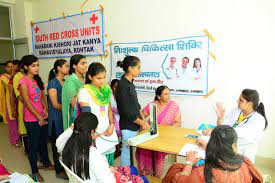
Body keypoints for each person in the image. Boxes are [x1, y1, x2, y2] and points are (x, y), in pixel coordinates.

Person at [56, 112, 148, 183]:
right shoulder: (94, 156)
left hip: (87, 176)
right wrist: (110, 171)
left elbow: (58, 141)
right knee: (144, 179)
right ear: (93, 131)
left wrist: (74, 127)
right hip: (101, 178)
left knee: (133, 170)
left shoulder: (66, 145)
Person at [163, 125, 263, 183]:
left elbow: (180, 181)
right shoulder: (245, 163)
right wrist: (208, 147)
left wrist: (189, 163)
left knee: (176, 167)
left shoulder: (204, 173)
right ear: (234, 145)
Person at [202, 89, 268, 163]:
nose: (237, 101)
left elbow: (237, 132)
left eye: (241, 100)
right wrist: (220, 118)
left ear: (249, 104)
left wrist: (215, 131)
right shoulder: (236, 111)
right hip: (228, 150)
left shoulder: (258, 120)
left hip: (242, 154)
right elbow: (222, 126)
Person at [19, 55, 54, 182]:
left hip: (41, 116)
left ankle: (46, 163)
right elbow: (27, 102)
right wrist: (39, 117)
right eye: (33, 66)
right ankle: (34, 172)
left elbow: (42, 97)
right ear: (26, 67)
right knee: (33, 146)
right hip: (31, 119)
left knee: (43, 142)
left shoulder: (37, 79)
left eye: (37, 65)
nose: (37, 68)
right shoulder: (23, 82)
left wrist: (45, 110)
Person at [136, 85, 182, 178]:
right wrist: (144, 124)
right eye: (166, 94)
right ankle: (145, 174)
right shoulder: (152, 105)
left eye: (169, 93)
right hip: (152, 134)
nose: (168, 96)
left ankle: (157, 176)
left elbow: (178, 122)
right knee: (142, 149)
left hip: (165, 137)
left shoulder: (174, 106)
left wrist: (168, 132)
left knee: (159, 155)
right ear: (159, 96)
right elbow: (141, 116)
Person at [78, 62, 118, 165]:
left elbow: (109, 109)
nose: (102, 81)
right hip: (94, 132)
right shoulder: (84, 91)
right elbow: (86, 115)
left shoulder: (106, 89)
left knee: (109, 162)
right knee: (97, 163)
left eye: (103, 77)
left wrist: (112, 124)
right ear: (90, 76)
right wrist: (91, 132)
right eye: (98, 78)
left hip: (108, 130)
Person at [116, 56, 150, 166]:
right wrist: (142, 123)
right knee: (127, 153)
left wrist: (142, 117)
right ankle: (126, 176)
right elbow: (126, 111)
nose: (140, 70)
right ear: (130, 68)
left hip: (134, 124)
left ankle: (129, 174)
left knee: (131, 153)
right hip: (128, 126)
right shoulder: (123, 85)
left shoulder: (129, 83)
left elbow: (135, 104)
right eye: (138, 67)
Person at [47, 59, 69, 179]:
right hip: (56, 118)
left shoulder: (66, 81)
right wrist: (70, 108)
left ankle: (66, 168)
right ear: (59, 68)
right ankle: (58, 170)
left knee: (65, 144)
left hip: (65, 117)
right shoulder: (53, 83)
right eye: (66, 66)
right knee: (57, 145)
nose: (68, 68)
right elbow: (55, 104)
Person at [62, 54, 87, 130]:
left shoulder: (85, 79)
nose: (86, 66)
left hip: (86, 117)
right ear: (74, 66)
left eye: (86, 63)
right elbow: (75, 106)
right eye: (82, 63)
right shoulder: (70, 81)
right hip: (76, 120)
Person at [0, 61, 20, 147]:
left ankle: (20, 137)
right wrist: (13, 75)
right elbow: (9, 85)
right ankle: (14, 140)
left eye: (12, 66)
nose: (11, 68)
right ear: (5, 68)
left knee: (19, 120)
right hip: (9, 102)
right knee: (12, 122)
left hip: (18, 100)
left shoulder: (17, 76)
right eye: (8, 66)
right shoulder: (3, 77)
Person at [13, 60, 29, 153]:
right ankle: (27, 150)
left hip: (33, 106)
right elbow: (18, 95)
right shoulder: (17, 77)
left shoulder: (31, 76)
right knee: (25, 129)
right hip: (23, 106)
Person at [110, 79, 122, 159]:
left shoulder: (121, 96)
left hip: (120, 118)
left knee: (119, 134)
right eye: (114, 87)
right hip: (111, 118)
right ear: (111, 87)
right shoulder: (109, 96)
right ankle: (116, 149)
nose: (116, 89)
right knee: (113, 135)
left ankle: (118, 148)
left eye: (118, 87)